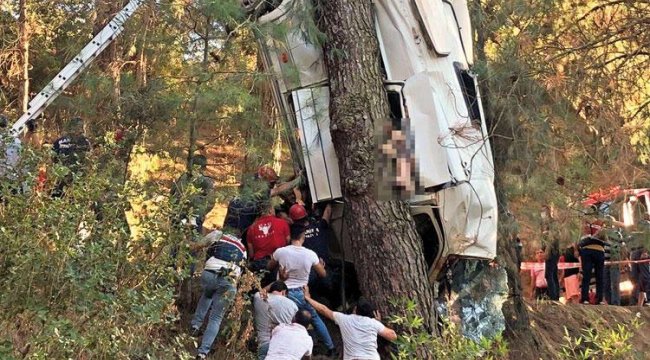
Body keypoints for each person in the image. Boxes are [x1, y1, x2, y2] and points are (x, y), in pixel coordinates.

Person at [268, 224, 336, 356]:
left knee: (285, 323)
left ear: (290, 236)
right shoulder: (310, 254)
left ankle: (285, 349)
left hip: (284, 293)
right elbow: (323, 274)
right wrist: (322, 266)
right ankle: (331, 348)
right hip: (303, 293)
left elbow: (269, 266)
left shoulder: (280, 252)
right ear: (303, 237)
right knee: (315, 318)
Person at [188, 221, 247, 360]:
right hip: (229, 281)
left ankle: (195, 326)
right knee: (216, 318)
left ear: (227, 230)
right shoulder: (243, 248)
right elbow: (242, 269)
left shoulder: (218, 235)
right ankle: (203, 352)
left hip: (209, 274)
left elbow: (198, 246)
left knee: (207, 295)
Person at [304, 287, 397, 360]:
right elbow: (392, 336)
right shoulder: (373, 323)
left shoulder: (345, 319)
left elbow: (323, 309)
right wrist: (379, 323)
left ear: (355, 309)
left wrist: (308, 298)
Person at [289, 203, 333, 294]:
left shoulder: (297, 236)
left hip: (309, 272)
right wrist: (329, 203)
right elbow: (327, 213)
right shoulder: (319, 225)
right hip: (325, 266)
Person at [170, 154, 216, 234]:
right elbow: (211, 202)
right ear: (204, 167)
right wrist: (201, 214)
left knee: (176, 239)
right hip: (194, 218)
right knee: (193, 241)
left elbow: (172, 193)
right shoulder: (208, 182)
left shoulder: (182, 177)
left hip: (178, 215)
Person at [252, 280, 298, 360]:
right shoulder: (292, 305)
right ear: (284, 292)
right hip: (281, 347)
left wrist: (274, 283)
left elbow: (262, 291)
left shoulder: (258, 297)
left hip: (263, 344)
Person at [247, 203, 290, 285]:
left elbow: (251, 254)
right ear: (270, 210)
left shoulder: (251, 228)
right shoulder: (283, 223)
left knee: (259, 292)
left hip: (258, 265)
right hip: (277, 263)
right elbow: (288, 241)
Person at [51, 117, 91, 197]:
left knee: (57, 197)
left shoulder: (59, 141)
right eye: (81, 127)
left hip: (64, 174)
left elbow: (53, 157)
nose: (82, 130)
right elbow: (88, 158)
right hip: (76, 176)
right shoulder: (84, 141)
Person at [578, 222, 606, 304]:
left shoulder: (600, 224)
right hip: (587, 250)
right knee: (586, 274)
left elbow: (605, 238)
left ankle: (599, 299)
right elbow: (578, 241)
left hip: (599, 250)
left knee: (600, 275)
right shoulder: (583, 224)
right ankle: (585, 298)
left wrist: (600, 232)